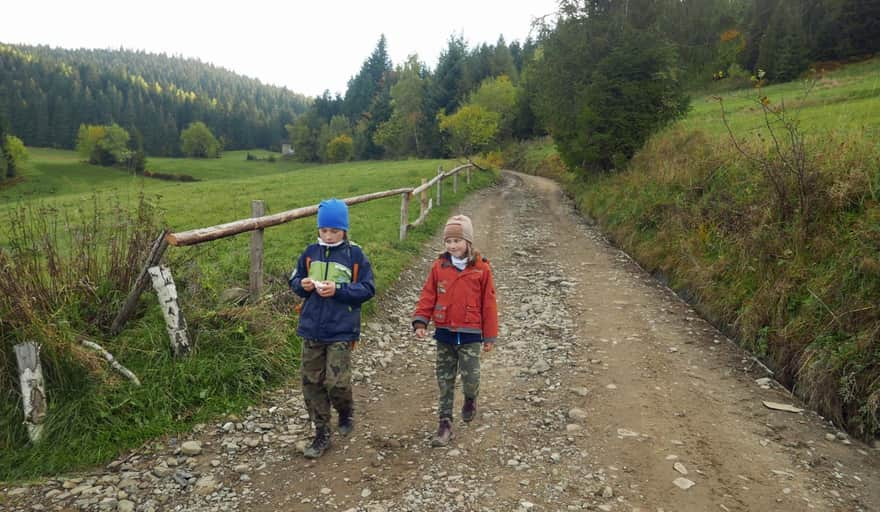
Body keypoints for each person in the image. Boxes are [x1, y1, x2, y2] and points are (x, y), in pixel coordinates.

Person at [289, 198, 375, 459]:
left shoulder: (355, 255)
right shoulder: (309, 253)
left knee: (336, 383)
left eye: (334, 231)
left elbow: (368, 289)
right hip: (311, 327)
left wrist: (338, 290)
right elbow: (293, 280)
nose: (328, 236)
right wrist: (300, 285)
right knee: (311, 383)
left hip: (341, 329)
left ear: (344, 230)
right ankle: (322, 432)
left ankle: (345, 409)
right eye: (323, 230)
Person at [412, 214, 498, 447]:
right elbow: (428, 295)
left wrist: (489, 336)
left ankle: (470, 398)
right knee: (445, 380)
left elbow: (489, 304)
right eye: (448, 241)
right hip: (444, 334)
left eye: (457, 241)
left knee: (471, 377)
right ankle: (445, 422)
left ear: (468, 242)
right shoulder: (439, 266)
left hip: (470, 335)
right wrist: (421, 321)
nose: (452, 246)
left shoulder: (482, 269)